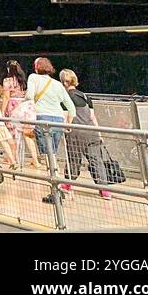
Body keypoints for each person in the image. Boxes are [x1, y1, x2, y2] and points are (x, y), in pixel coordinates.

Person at [60, 69, 110, 198]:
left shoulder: (65, 98)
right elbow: (92, 117)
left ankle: (67, 184)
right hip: (91, 132)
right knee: (96, 160)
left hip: (75, 133)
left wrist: (64, 131)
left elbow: (66, 117)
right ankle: (104, 190)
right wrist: (99, 133)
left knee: (74, 159)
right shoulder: (85, 96)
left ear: (64, 82)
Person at [27, 57, 75, 164]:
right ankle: (55, 173)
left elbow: (29, 96)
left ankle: (53, 176)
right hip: (58, 120)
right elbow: (71, 107)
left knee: (47, 154)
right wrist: (68, 124)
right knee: (52, 152)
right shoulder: (57, 84)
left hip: (42, 118)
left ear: (36, 68)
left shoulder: (33, 78)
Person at [1, 59, 39, 166]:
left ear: (8, 68)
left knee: (13, 133)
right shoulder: (23, 80)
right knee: (27, 134)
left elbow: (6, 96)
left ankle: (13, 158)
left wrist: (3, 111)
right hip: (25, 107)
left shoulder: (7, 81)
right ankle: (35, 159)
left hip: (13, 106)